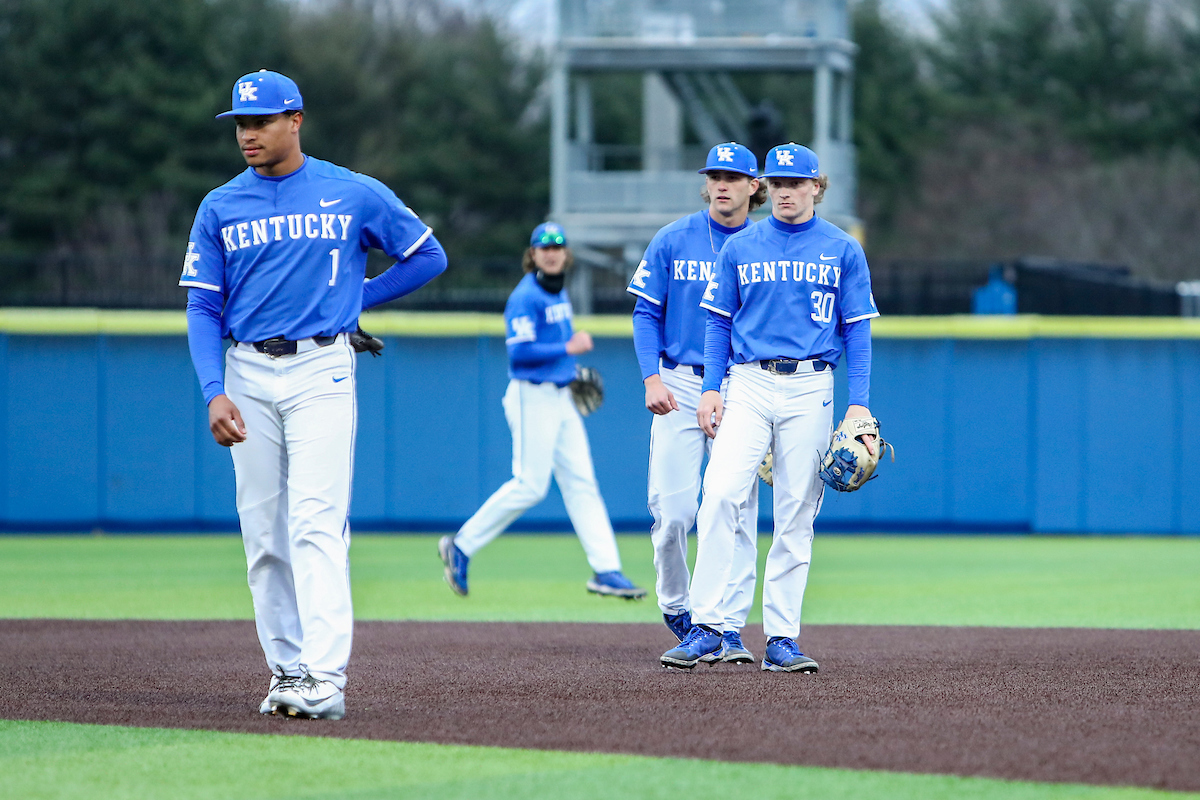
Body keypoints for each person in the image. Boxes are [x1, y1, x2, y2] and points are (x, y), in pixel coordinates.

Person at [180, 70, 447, 719]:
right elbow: (201, 307)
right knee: (263, 532)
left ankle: (326, 677)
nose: (248, 134)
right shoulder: (220, 205)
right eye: (241, 123)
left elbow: (426, 255)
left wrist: (357, 300)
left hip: (321, 369)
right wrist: (214, 391)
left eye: (261, 121)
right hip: (245, 370)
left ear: (295, 120)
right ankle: (288, 671)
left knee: (316, 523)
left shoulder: (349, 191)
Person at [660, 143, 879, 672]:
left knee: (796, 515)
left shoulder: (843, 249)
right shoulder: (741, 247)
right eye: (777, 183)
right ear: (767, 189)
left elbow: (858, 331)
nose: (785, 191)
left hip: (812, 385)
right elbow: (717, 323)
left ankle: (782, 639)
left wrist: (859, 406)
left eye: (795, 183)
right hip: (749, 383)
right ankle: (711, 625)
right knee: (718, 496)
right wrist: (712, 388)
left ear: (815, 188)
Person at [438, 223, 646, 600]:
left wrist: (569, 370)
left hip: (560, 396)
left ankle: (607, 570)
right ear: (532, 254)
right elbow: (519, 352)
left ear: (565, 254)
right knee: (530, 485)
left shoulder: (557, 290)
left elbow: (551, 348)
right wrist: (567, 349)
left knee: (582, 482)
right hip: (530, 396)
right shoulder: (526, 296)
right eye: (543, 247)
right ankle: (461, 545)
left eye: (558, 246)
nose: (551, 252)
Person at [627, 142, 765, 664]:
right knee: (674, 514)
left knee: (736, 510)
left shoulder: (765, 244)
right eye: (715, 175)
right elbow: (645, 314)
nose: (723, 184)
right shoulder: (674, 238)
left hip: (741, 385)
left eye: (734, 176)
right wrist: (650, 378)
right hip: (679, 383)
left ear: (755, 186)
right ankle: (678, 607)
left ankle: (727, 626)